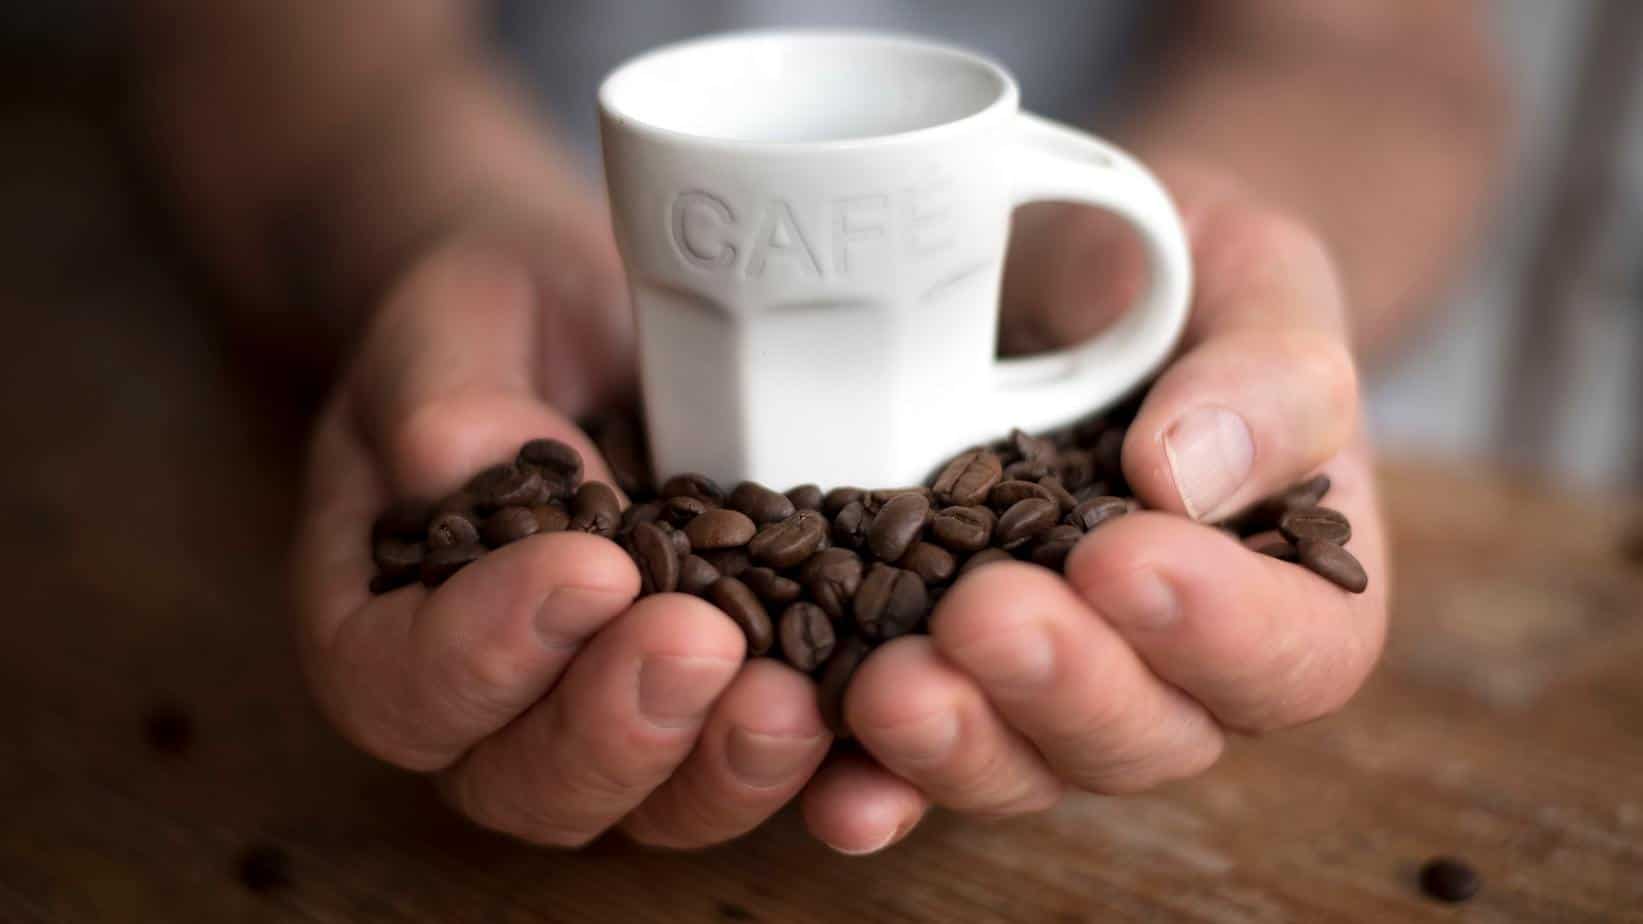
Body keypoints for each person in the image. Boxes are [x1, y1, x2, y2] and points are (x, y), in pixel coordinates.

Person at [127, 0, 1507, 854]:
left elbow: (1373, 50)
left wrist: (1232, 268)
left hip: (1068, 245)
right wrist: (428, 231)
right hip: (431, 270)